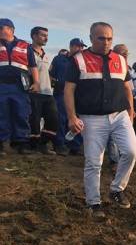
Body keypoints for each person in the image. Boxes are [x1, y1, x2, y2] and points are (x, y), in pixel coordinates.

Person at [64, 22, 136, 215]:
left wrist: (130, 112)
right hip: (91, 118)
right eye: (101, 38)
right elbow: (69, 90)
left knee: (131, 151)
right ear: (91, 38)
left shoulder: (120, 60)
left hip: (120, 115)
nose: (106, 42)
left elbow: (127, 87)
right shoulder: (78, 60)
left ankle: (117, 189)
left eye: (109, 38)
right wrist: (72, 116)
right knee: (93, 162)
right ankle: (93, 203)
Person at [0, 18, 40, 155]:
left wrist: (36, 82)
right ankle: (2, 143)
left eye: (1, 28)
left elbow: (33, 66)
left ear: (11, 30)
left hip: (20, 87)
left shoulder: (24, 45)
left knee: (21, 113)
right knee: (2, 114)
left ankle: (22, 143)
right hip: (1, 86)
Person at [50, 38, 85, 155]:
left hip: (78, 95)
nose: (80, 49)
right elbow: (51, 75)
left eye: (82, 47)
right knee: (61, 119)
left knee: (77, 120)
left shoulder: (82, 61)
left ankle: (75, 145)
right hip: (60, 93)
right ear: (71, 46)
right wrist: (57, 82)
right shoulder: (59, 59)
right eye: (78, 46)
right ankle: (59, 144)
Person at [28, 26, 60, 155]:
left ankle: (44, 144)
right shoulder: (27, 52)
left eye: (47, 35)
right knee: (34, 120)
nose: (46, 38)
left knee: (53, 119)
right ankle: (33, 146)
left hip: (48, 92)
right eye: (43, 35)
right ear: (34, 36)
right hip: (34, 92)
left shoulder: (46, 55)